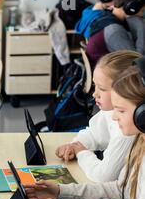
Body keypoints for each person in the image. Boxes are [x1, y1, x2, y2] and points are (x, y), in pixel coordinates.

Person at [22, 57, 145, 199]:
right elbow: (121, 190)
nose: (114, 118)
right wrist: (61, 192)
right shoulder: (140, 141)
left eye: (121, 111)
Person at [55, 50, 141, 182]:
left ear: (125, 90)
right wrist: (74, 146)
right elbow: (94, 133)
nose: (95, 94)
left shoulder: (127, 130)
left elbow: (103, 176)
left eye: (102, 88)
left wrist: (82, 153)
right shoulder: (111, 112)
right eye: (95, 86)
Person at [86, 0, 145, 67]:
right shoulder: (114, 30)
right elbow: (138, 63)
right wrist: (141, 25)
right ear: (132, 7)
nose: (142, 14)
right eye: (143, 11)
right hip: (109, 78)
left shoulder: (107, 17)